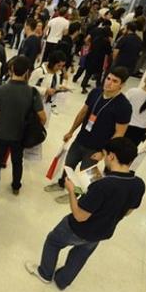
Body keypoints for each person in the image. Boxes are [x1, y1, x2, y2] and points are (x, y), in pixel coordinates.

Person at [26, 137, 145, 290]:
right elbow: (128, 212)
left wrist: (70, 190)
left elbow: (79, 216)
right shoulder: (138, 184)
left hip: (77, 229)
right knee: (81, 254)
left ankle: (45, 273)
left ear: (112, 156)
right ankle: (62, 281)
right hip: (103, 231)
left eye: (105, 155)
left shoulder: (103, 185)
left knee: (53, 241)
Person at [45, 67, 132, 204]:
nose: (109, 83)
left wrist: (103, 153)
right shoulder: (96, 92)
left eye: (115, 81)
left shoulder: (124, 106)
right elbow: (83, 113)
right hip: (81, 139)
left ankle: (77, 195)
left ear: (122, 85)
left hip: (96, 149)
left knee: (85, 176)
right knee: (69, 166)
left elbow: (119, 133)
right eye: (108, 78)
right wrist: (71, 131)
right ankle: (62, 183)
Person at [0, 56, 46, 197]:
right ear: (27, 72)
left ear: (11, 69)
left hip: (0, 133)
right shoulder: (32, 92)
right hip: (20, 135)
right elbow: (43, 117)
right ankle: (16, 186)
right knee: (17, 162)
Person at [29, 50, 68, 122]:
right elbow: (29, 87)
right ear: (53, 62)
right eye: (58, 65)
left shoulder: (57, 73)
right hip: (35, 106)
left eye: (62, 66)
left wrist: (60, 87)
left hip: (48, 105)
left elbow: (52, 84)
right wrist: (45, 90)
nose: (60, 68)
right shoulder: (39, 71)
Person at [81, 24, 112, 94]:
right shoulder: (107, 42)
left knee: (88, 73)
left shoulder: (96, 38)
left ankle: (83, 86)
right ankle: (99, 88)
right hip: (99, 59)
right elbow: (108, 52)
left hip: (91, 56)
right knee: (99, 75)